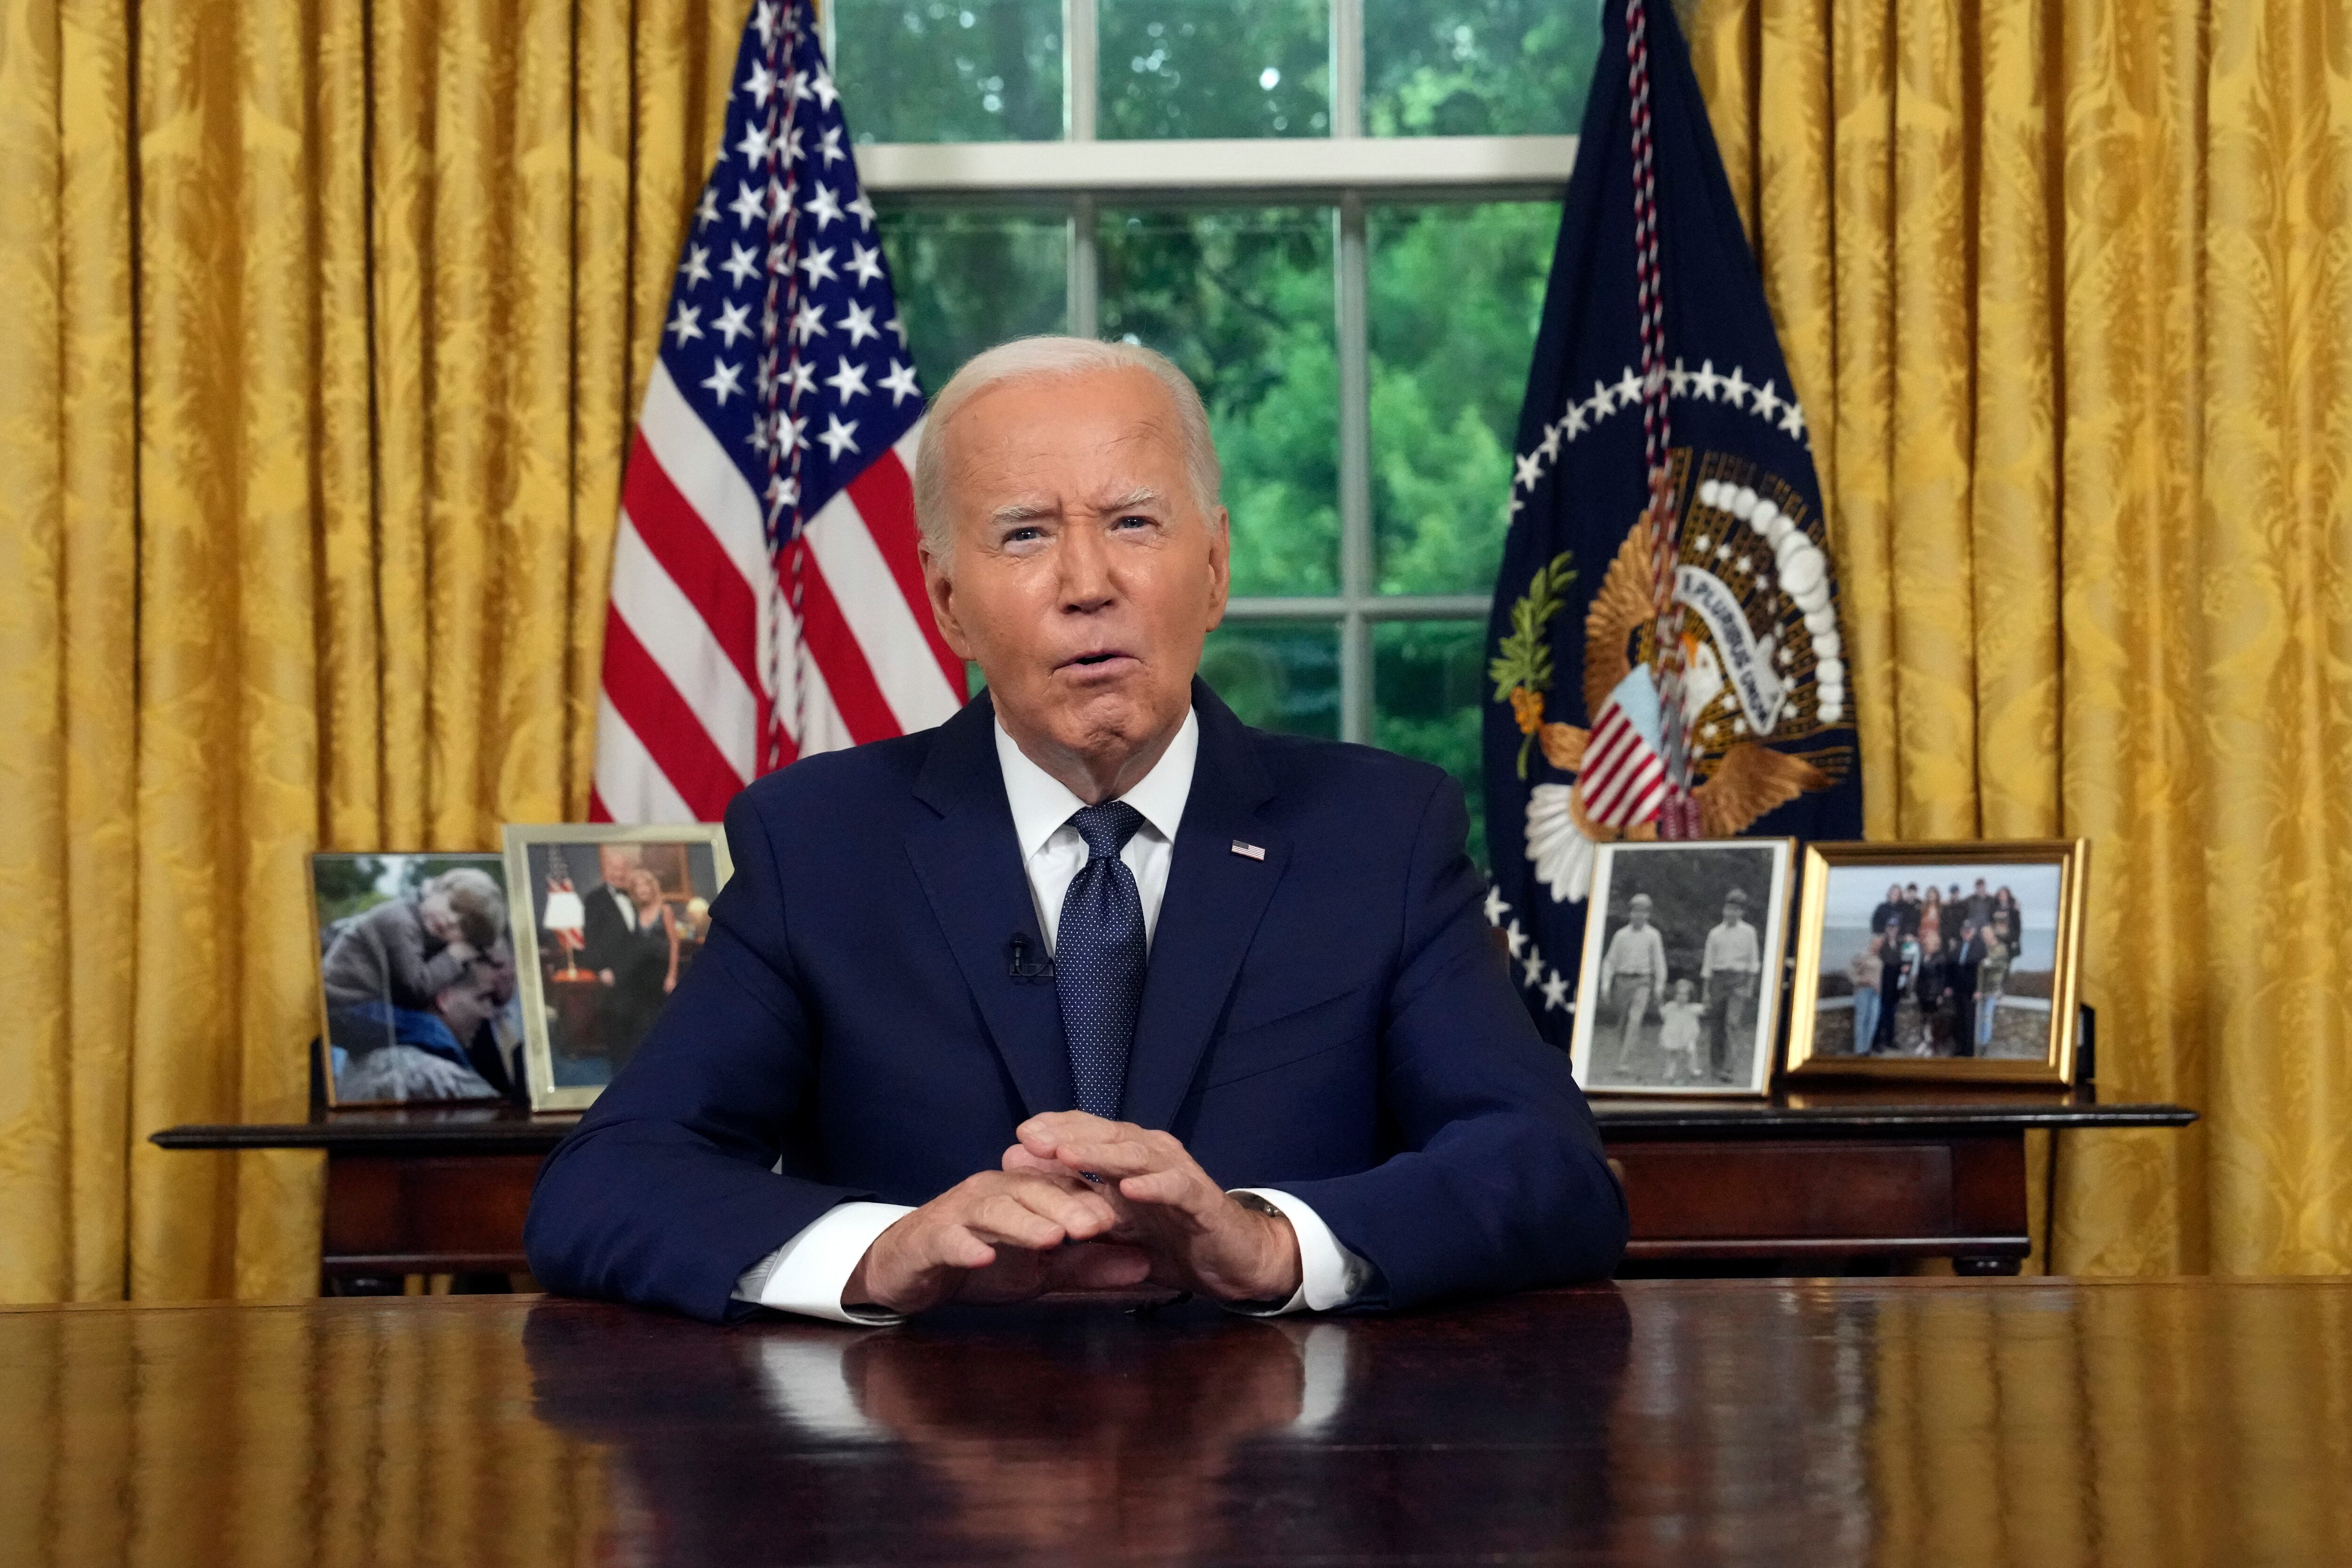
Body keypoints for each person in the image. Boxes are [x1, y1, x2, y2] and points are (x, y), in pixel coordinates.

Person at [524, 337, 1627, 1324]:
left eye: (1133, 522)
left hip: (1283, 1454)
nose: (1087, 584)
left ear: (1214, 567)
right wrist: (883, 1253)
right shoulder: (816, 844)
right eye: (1024, 534)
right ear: (946, 601)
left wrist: (1270, 1245)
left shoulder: (1380, 833)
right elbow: (606, 1182)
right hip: (927, 1455)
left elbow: (1549, 1168)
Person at [1598, 893, 1670, 1071]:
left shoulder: (1653, 936)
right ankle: (1626, 1052)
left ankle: (1624, 1062)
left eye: (1643, 912)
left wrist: (1659, 986)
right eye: (1636, 911)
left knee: (1635, 1020)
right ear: (1631, 913)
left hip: (1643, 982)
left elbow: (1659, 963)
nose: (1639, 915)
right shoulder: (1621, 935)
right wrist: (1606, 985)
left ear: (1648, 915)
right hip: (1623, 981)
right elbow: (1610, 962)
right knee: (1623, 1022)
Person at [1699, 889, 1761, 1082]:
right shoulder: (1715, 933)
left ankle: (1729, 1068)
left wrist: (1750, 985)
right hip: (1718, 980)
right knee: (1717, 1024)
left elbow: (1753, 961)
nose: (1731, 913)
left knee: (1732, 1023)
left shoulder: (1749, 932)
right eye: (1728, 909)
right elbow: (1708, 963)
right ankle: (1716, 1067)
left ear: (1742, 912)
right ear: (1724, 910)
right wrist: (1706, 991)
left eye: (1736, 910)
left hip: (1739, 980)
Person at [1655, 979, 1704, 1083]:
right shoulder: (1670, 1007)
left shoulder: (1693, 1008)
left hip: (1688, 1035)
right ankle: (1669, 1073)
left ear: (1690, 996)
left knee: (1691, 1051)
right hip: (1674, 1035)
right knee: (1672, 1054)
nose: (1681, 997)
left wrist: (1706, 1002)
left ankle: (1694, 1070)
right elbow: (1663, 1014)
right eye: (1679, 994)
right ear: (1675, 995)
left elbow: (1704, 1009)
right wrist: (1659, 1000)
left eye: (1685, 995)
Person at [1947, 920, 1984, 1059]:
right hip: (1958, 988)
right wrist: (1949, 986)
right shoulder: (1958, 945)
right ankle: (1960, 1048)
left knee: (1969, 1020)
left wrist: (1978, 989)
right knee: (1959, 1019)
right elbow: (1951, 966)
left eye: (1969, 931)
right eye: (1964, 931)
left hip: (1971, 990)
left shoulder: (1979, 947)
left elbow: (1981, 970)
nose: (1966, 933)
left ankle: (1969, 1051)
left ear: (1973, 931)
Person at [1846, 932, 1883, 1056]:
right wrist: (1861, 980)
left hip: (1876, 993)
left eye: (1880, 944)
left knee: (1873, 1020)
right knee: (1862, 1020)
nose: (1878, 946)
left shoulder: (1880, 957)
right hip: (1863, 991)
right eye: (1876, 943)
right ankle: (1860, 1050)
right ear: (1872, 943)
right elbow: (1850, 971)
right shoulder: (1863, 956)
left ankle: (1867, 1047)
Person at [1976, 924, 2012, 1049]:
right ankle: (1978, 1041)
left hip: (1994, 988)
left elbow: (1997, 964)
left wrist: (1987, 962)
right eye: (1983, 935)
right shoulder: (1983, 948)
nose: (1985, 937)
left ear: (1993, 934)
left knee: (1987, 1016)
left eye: (1987, 934)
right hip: (1981, 988)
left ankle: (1984, 1043)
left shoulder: (2001, 948)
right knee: (1980, 1017)